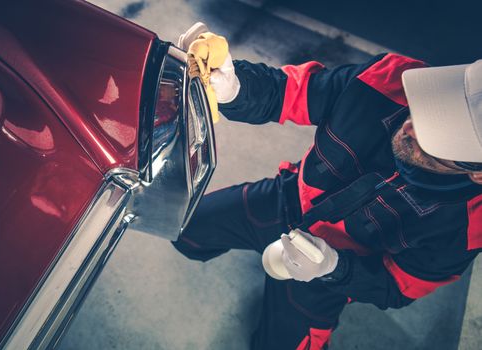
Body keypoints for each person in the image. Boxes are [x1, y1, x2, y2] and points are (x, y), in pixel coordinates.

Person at [172, 23, 482, 350]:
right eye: (432, 104)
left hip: (328, 272)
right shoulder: (391, 78)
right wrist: (235, 88)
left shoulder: (470, 225)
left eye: (437, 136)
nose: (410, 125)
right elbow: (291, 92)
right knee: (184, 229)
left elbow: (397, 287)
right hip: (286, 200)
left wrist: (334, 268)